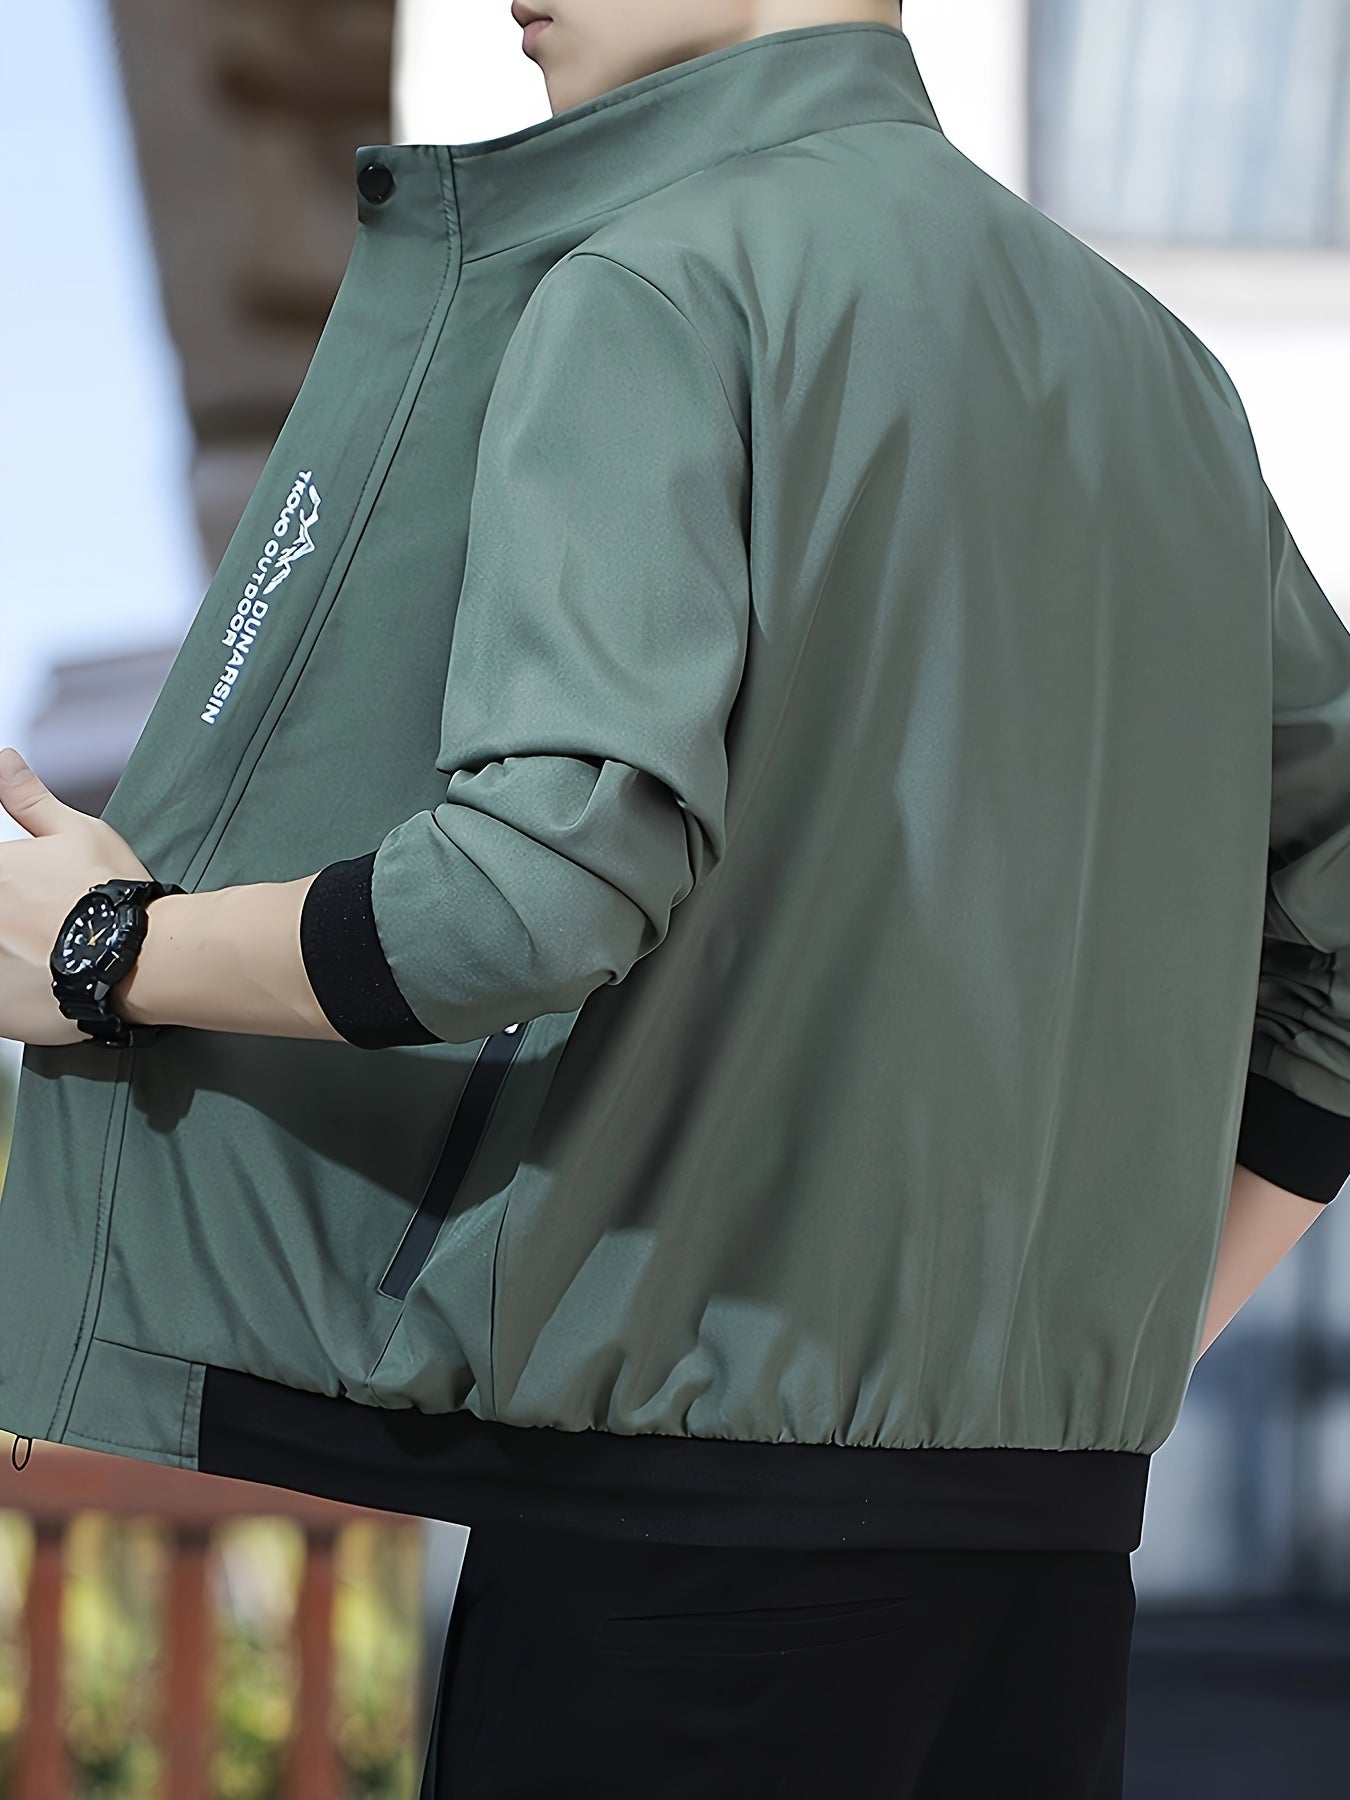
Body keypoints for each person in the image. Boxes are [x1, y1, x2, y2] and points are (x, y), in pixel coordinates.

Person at [1, 1, 1347, 1794]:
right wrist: (1125, 1344)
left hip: (677, 1559)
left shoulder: (656, 283)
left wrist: (105, 950)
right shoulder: (1154, 371)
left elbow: (531, 891)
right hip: (1042, 1558)